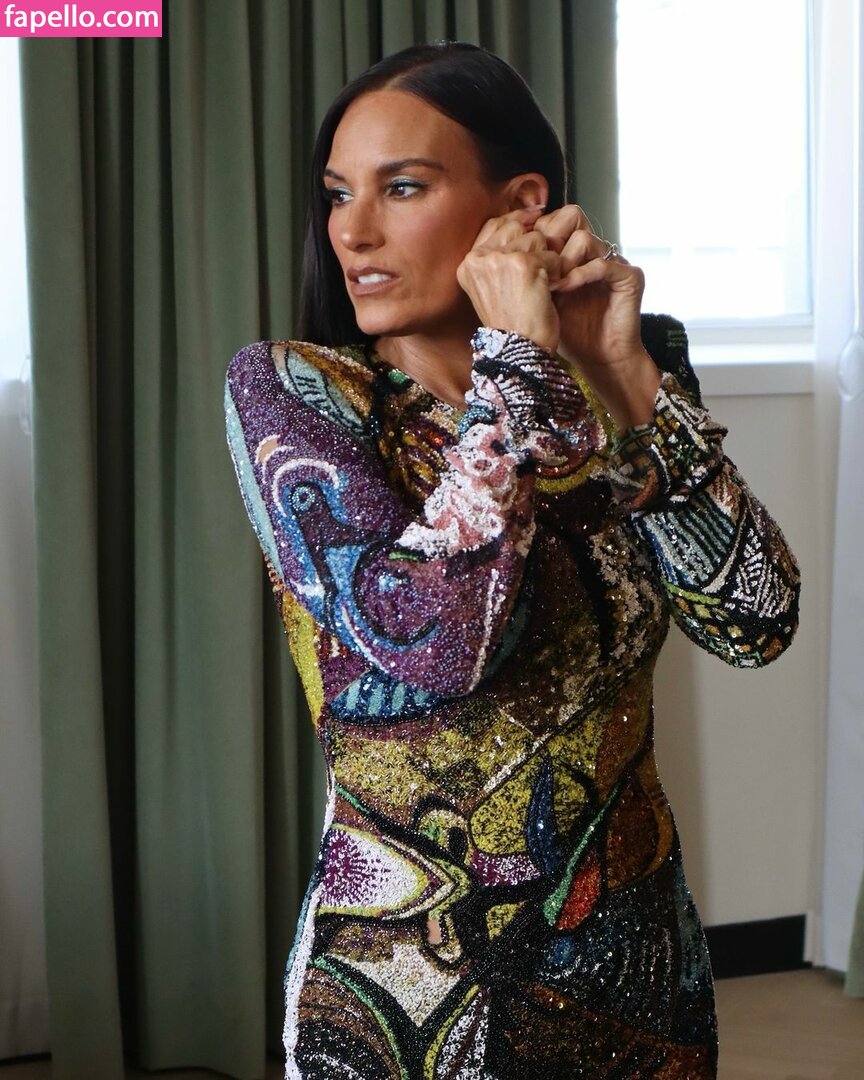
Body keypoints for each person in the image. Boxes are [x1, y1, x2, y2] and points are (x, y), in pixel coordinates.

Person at [225, 41, 800, 1080]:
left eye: (402, 187)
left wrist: (625, 376)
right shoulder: (297, 394)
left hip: (640, 976)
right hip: (409, 997)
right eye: (339, 194)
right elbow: (434, 647)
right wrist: (518, 366)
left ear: (520, 204)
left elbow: (754, 621)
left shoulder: (628, 368)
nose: (352, 230)